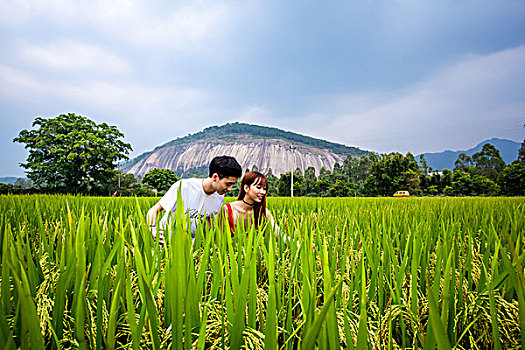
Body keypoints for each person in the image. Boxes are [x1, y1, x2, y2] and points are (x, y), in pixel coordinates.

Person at [147, 156, 242, 243]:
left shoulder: (219, 197)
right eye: (228, 184)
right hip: (166, 241)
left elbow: (208, 223)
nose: (230, 189)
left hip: (191, 246)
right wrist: (153, 228)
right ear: (215, 177)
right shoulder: (183, 187)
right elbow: (154, 210)